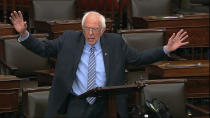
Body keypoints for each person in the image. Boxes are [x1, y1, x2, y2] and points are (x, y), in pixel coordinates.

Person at [10, 11, 189, 118]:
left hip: (107, 103)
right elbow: (42, 48)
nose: (90, 33)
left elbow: (139, 58)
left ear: (103, 30)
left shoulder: (115, 43)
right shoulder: (69, 39)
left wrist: (166, 49)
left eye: (95, 29)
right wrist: (25, 34)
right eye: (87, 28)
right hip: (77, 101)